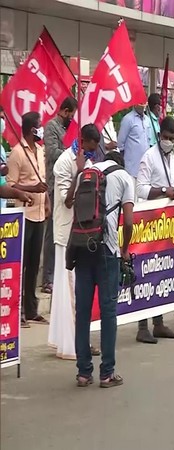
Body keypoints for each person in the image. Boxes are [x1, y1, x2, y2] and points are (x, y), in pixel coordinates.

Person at [66, 150, 133, 388]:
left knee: (83, 311)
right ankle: (107, 372)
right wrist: (124, 250)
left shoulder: (86, 173)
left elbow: (69, 203)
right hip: (107, 249)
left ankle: (83, 372)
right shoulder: (125, 177)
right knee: (108, 311)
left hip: (82, 246)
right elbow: (128, 221)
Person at [49, 125, 101, 360]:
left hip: (82, 233)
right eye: (90, 147)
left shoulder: (88, 162)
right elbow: (67, 201)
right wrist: (79, 173)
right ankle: (73, 345)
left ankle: (75, 340)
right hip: (66, 234)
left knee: (77, 290)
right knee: (70, 291)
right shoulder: (63, 162)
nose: (93, 152)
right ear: (82, 141)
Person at [135, 116, 174, 343]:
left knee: (162, 273)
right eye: (165, 138)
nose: (168, 142)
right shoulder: (149, 158)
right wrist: (165, 190)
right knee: (147, 273)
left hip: (167, 223)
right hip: (149, 221)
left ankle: (158, 322)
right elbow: (141, 189)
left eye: (172, 139)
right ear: (159, 136)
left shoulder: (172, 159)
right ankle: (142, 326)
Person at [6, 112, 51, 327]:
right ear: (32, 129)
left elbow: (42, 181)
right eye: (39, 126)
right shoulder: (17, 153)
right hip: (24, 214)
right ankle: (20, 311)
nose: (41, 128)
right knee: (22, 265)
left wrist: (47, 200)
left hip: (40, 213)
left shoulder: (40, 151)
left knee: (34, 264)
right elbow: (11, 185)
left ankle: (32, 309)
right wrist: (31, 189)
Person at [41, 96, 78, 294]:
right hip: (55, 185)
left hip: (71, 184)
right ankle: (47, 277)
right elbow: (53, 152)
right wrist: (71, 150)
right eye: (70, 114)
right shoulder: (51, 127)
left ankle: (62, 273)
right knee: (52, 233)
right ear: (64, 111)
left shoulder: (71, 128)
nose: (71, 118)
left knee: (66, 231)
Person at [117, 100, 152, 181]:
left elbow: (149, 141)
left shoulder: (147, 120)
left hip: (144, 167)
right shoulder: (127, 119)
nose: (142, 104)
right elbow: (120, 143)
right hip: (131, 168)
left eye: (143, 102)